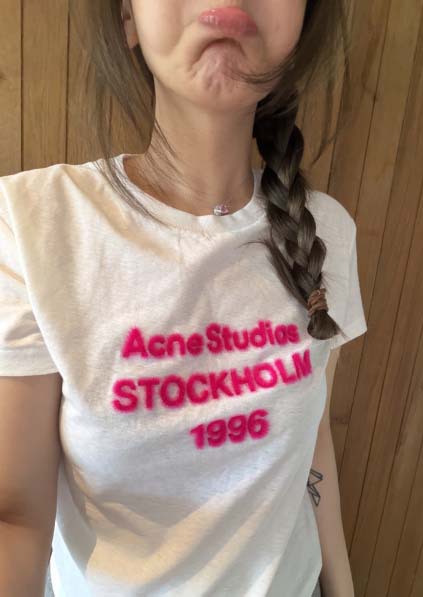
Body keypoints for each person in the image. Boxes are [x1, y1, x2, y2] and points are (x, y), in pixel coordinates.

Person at [0, 1, 368, 595]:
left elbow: (309, 442)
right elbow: (15, 518)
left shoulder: (327, 232)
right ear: (128, 18)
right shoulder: (32, 226)